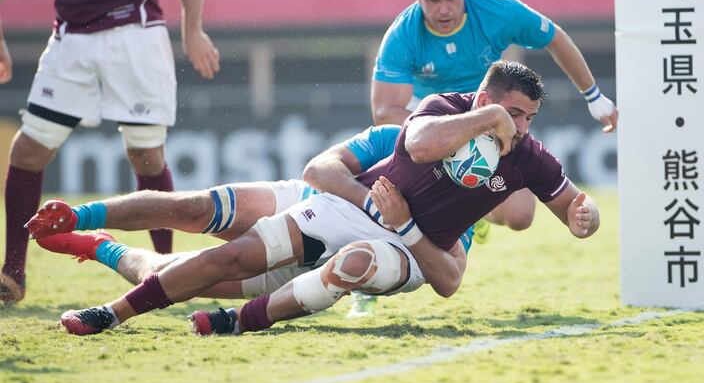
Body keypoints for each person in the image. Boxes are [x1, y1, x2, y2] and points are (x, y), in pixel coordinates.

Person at [50, 61, 600, 336]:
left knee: (351, 264)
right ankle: (105, 279)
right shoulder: (423, 117)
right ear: (481, 100)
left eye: (529, 118)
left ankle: (241, 319)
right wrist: (373, 203)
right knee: (207, 246)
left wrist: (585, 214)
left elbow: (570, 213)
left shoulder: (526, 157)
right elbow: (327, 168)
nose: (521, 128)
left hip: (403, 242)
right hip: (338, 201)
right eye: (515, 114)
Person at [357, 0, 617, 317]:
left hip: (491, 127)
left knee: (521, 217)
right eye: (432, 1)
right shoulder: (403, 34)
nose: (443, 9)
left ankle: (473, 211)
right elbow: (385, 111)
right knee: (383, 198)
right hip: (430, 129)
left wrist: (593, 96)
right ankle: (359, 281)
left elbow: (554, 37)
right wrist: (441, 141)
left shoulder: (498, 11)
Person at [0, 0, 220, 303]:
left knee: (146, 155)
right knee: (27, 151)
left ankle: (165, 273)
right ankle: (11, 275)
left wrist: (192, 31)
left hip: (136, 38)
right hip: (70, 43)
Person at [32, 125, 475, 301]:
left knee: (166, 273)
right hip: (312, 204)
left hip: (322, 264)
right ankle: (78, 216)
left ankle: (101, 249)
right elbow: (318, 169)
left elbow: (446, 268)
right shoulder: (398, 137)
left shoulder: (469, 190)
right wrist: (372, 206)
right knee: (194, 207)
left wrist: (402, 225)